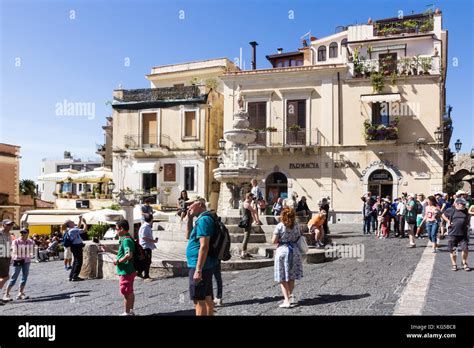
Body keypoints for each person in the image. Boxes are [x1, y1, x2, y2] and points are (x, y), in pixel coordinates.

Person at [185, 202, 218, 316]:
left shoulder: (204, 220)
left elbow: (204, 245)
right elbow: (188, 236)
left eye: (191, 205)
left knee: (198, 300)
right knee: (207, 298)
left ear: (199, 204)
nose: (188, 207)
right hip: (205, 265)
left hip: (199, 265)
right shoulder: (202, 219)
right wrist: (189, 219)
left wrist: (198, 269)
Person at [272, 207, 303, 308]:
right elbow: (299, 237)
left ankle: (286, 300)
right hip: (295, 251)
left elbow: (274, 241)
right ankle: (289, 296)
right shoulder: (297, 226)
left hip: (283, 251)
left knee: (283, 277)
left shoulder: (280, 226)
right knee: (291, 276)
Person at [3, 229, 34, 302]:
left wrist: (23, 250)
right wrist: (25, 250)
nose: (22, 234)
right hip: (18, 261)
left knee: (24, 277)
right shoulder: (16, 241)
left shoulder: (30, 241)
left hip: (26, 261)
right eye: (21, 233)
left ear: (28, 233)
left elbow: (31, 251)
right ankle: (6, 294)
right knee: (14, 277)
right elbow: (15, 251)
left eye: (24, 232)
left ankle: (20, 293)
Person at [114, 220, 137, 315]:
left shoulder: (126, 240)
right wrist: (108, 249)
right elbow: (122, 253)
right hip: (128, 269)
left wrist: (118, 261)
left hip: (126, 270)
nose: (116, 231)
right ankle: (131, 311)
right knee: (129, 291)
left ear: (121, 229)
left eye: (116, 229)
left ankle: (127, 313)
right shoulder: (126, 239)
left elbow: (128, 255)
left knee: (126, 291)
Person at [442, 198, 470, 272]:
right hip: (453, 234)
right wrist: (448, 221)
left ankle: (464, 262)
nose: (464, 205)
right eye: (462, 204)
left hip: (463, 234)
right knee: (454, 250)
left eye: (464, 204)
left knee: (465, 249)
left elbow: (467, 219)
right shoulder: (451, 210)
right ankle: (454, 264)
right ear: (457, 204)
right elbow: (443, 215)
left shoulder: (465, 210)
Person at [64, 217, 85, 282]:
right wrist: (85, 223)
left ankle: (71, 276)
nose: (73, 222)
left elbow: (78, 226)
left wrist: (80, 220)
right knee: (79, 262)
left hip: (74, 246)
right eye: (71, 222)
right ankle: (75, 277)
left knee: (75, 262)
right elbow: (84, 230)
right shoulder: (72, 230)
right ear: (69, 224)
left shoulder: (71, 229)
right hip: (77, 247)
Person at [138, 214, 158, 280]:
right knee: (147, 261)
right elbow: (144, 237)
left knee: (147, 261)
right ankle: (145, 275)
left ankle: (142, 273)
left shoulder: (146, 226)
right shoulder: (145, 226)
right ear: (151, 219)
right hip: (145, 246)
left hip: (147, 245)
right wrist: (153, 241)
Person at [241, 192, 261, 259]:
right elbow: (254, 211)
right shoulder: (246, 204)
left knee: (246, 236)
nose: (252, 198)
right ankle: (243, 253)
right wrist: (254, 204)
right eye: (252, 197)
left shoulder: (245, 203)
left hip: (247, 222)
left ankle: (245, 252)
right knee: (246, 237)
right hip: (247, 222)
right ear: (249, 197)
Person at [0, 219, 14, 305]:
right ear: (3, 225)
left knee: (4, 277)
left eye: (11, 225)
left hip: (6, 257)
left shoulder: (8, 234)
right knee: (5, 277)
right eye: (8, 224)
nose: (10, 226)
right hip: (1, 257)